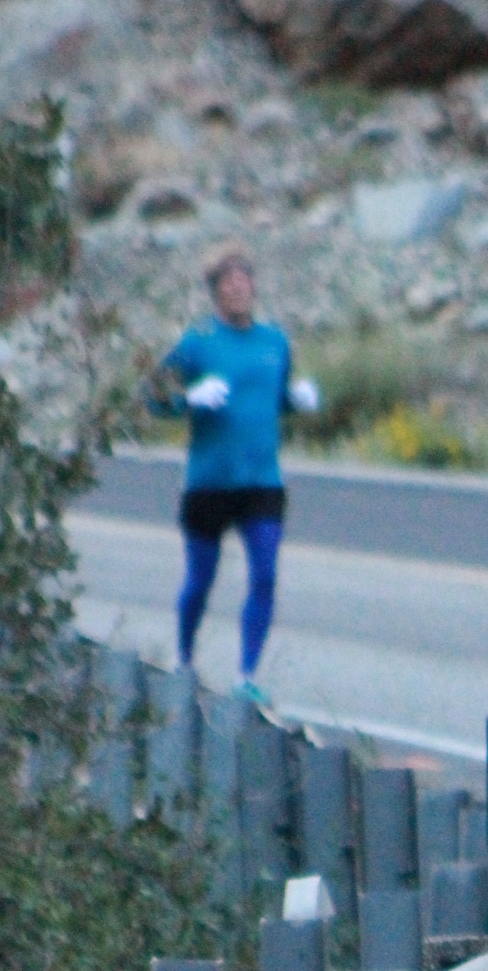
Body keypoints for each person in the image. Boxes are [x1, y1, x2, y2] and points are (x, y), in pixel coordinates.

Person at [152, 246, 318, 699]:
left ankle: (247, 677)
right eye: (228, 284)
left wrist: (297, 400)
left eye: (244, 281)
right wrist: (188, 399)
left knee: (265, 575)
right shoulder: (197, 342)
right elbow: (152, 396)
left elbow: (274, 398)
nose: (238, 290)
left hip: (262, 481)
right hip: (209, 482)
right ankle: (184, 659)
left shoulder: (275, 341)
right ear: (215, 293)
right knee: (200, 580)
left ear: (253, 286)